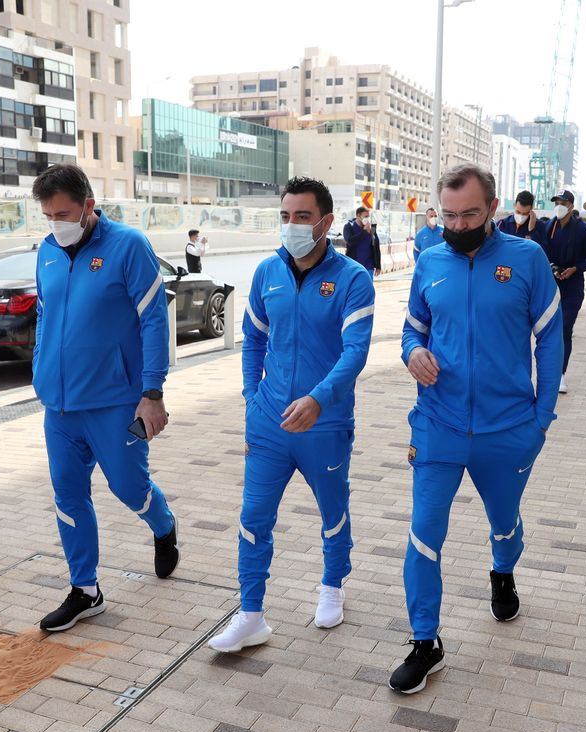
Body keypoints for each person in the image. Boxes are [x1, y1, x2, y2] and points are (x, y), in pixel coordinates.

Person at [392, 164, 562, 694]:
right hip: (438, 425)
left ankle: (503, 568)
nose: (457, 223)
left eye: (468, 213)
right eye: (447, 214)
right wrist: (413, 353)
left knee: (505, 522)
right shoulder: (431, 260)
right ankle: (426, 642)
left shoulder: (526, 258)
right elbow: (411, 330)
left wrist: (540, 420)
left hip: (508, 428)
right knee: (423, 534)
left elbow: (552, 342)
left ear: (493, 208)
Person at [208, 177, 376, 652]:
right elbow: (253, 340)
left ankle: (332, 585)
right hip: (269, 421)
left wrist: (319, 399)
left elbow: (355, 352)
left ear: (325, 222)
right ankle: (251, 614)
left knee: (332, 511)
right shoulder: (267, 273)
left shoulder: (352, 279)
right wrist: (251, 399)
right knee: (253, 517)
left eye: (302, 217)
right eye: (285, 216)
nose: (292, 226)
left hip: (324, 422)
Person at [31, 164, 180, 632]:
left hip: (118, 403)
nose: (58, 223)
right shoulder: (48, 251)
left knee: (129, 488)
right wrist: (40, 368)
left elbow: (154, 320)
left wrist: (152, 393)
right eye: (49, 215)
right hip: (59, 407)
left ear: (89, 206)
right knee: (68, 494)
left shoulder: (128, 246)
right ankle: (85, 589)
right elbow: (44, 313)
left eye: (65, 213)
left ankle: (163, 525)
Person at [541, 189, 586, 393]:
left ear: (571, 206)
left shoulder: (582, 229)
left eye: (563, 202)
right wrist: (552, 266)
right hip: (551, 286)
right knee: (548, 331)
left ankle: (561, 374)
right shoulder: (550, 226)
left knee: (565, 329)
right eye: (556, 202)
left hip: (572, 288)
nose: (559, 206)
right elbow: (543, 251)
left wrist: (576, 268)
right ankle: (548, 371)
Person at [343, 207, 378, 276]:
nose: (367, 218)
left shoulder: (371, 228)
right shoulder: (349, 227)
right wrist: (364, 232)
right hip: (354, 265)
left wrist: (378, 265)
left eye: (368, 216)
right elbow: (350, 241)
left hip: (368, 265)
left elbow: (376, 246)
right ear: (358, 216)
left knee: (367, 286)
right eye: (365, 216)